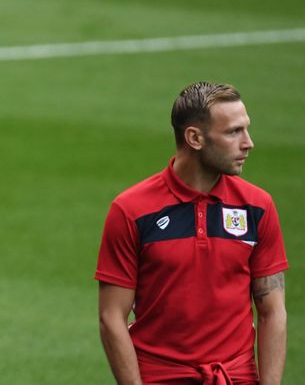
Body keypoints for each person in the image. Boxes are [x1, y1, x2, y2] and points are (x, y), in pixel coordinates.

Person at [96, 82, 287, 384]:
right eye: (233, 132)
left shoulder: (257, 207)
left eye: (246, 129)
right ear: (195, 138)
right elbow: (111, 317)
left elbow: (272, 311)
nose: (248, 142)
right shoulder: (131, 210)